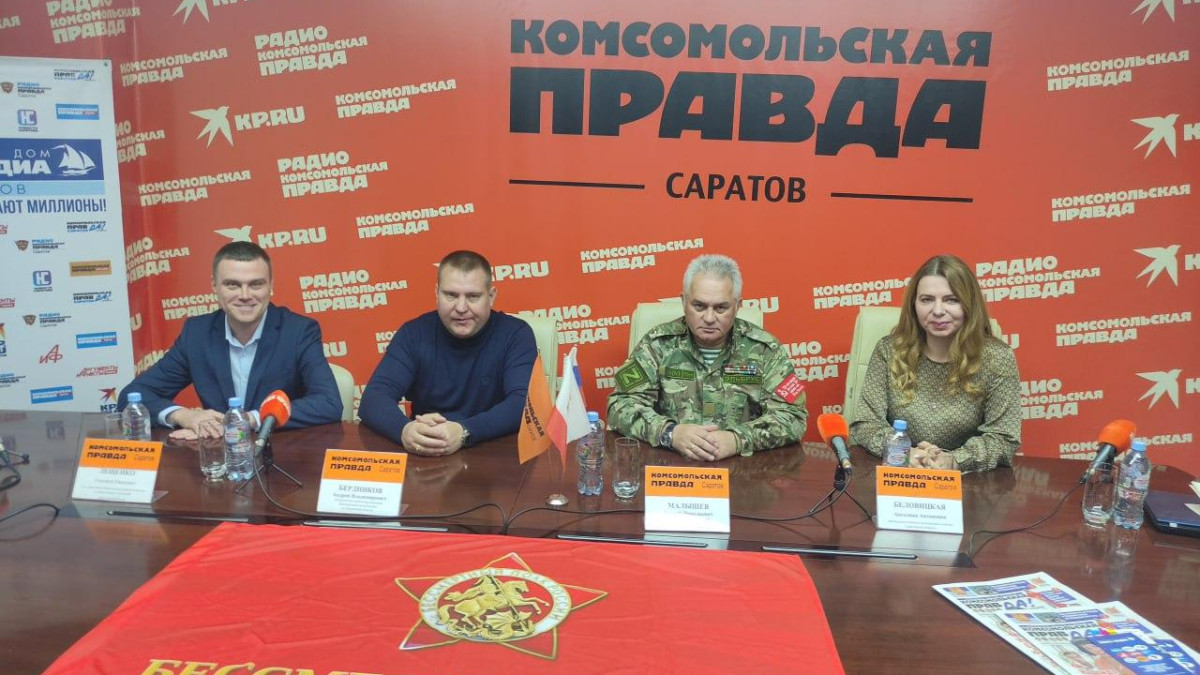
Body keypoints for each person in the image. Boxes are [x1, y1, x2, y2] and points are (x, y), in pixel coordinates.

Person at [118, 241, 342, 439]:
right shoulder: (196, 333)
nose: (245, 295)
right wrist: (184, 416)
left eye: (256, 284)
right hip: (219, 457)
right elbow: (131, 396)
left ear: (271, 285)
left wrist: (249, 420)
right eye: (232, 285)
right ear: (214, 286)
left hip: (283, 456)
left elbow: (329, 403)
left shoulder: (299, 331)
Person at [607, 254, 808, 460]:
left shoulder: (765, 350)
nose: (709, 318)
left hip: (741, 468)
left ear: (737, 306)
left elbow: (793, 416)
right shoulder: (657, 344)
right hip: (671, 465)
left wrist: (738, 439)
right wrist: (669, 433)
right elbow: (620, 405)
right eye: (699, 306)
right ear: (684, 302)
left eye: (721, 308)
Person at [849, 254, 1020, 472]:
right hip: (900, 471)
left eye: (951, 300)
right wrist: (903, 452)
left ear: (969, 304)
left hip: (967, 479)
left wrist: (954, 460)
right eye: (927, 300)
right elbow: (865, 423)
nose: (938, 311)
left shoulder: (998, 358)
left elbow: (1003, 437)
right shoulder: (889, 350)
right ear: (914, 305)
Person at [358, 250, 536, 455]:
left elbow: (523, 404)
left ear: (491, 296)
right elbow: (373, 398)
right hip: (427, 453)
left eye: (473, 296)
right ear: (437, 293)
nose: (461, 307)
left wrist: (464, 431)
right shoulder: (413, 333)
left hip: (493, 456)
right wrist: (405, 430)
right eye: (451, 295)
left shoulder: (516, 334)